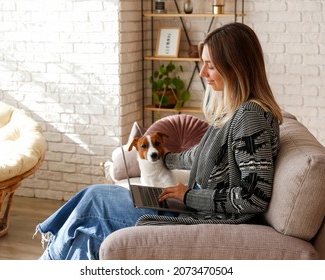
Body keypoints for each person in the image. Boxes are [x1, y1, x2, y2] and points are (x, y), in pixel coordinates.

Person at [36, 22, 283, 260]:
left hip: (208, 219)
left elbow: (254, 197)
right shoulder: (233, 112)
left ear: (235, 66)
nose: (203, 73)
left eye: (211, 65)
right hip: (196, 208)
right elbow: (200, 155)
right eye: (203, 63)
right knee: (91, 210)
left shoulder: (250, 118)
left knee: (94, 202)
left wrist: (187, 196)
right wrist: (166, 156)